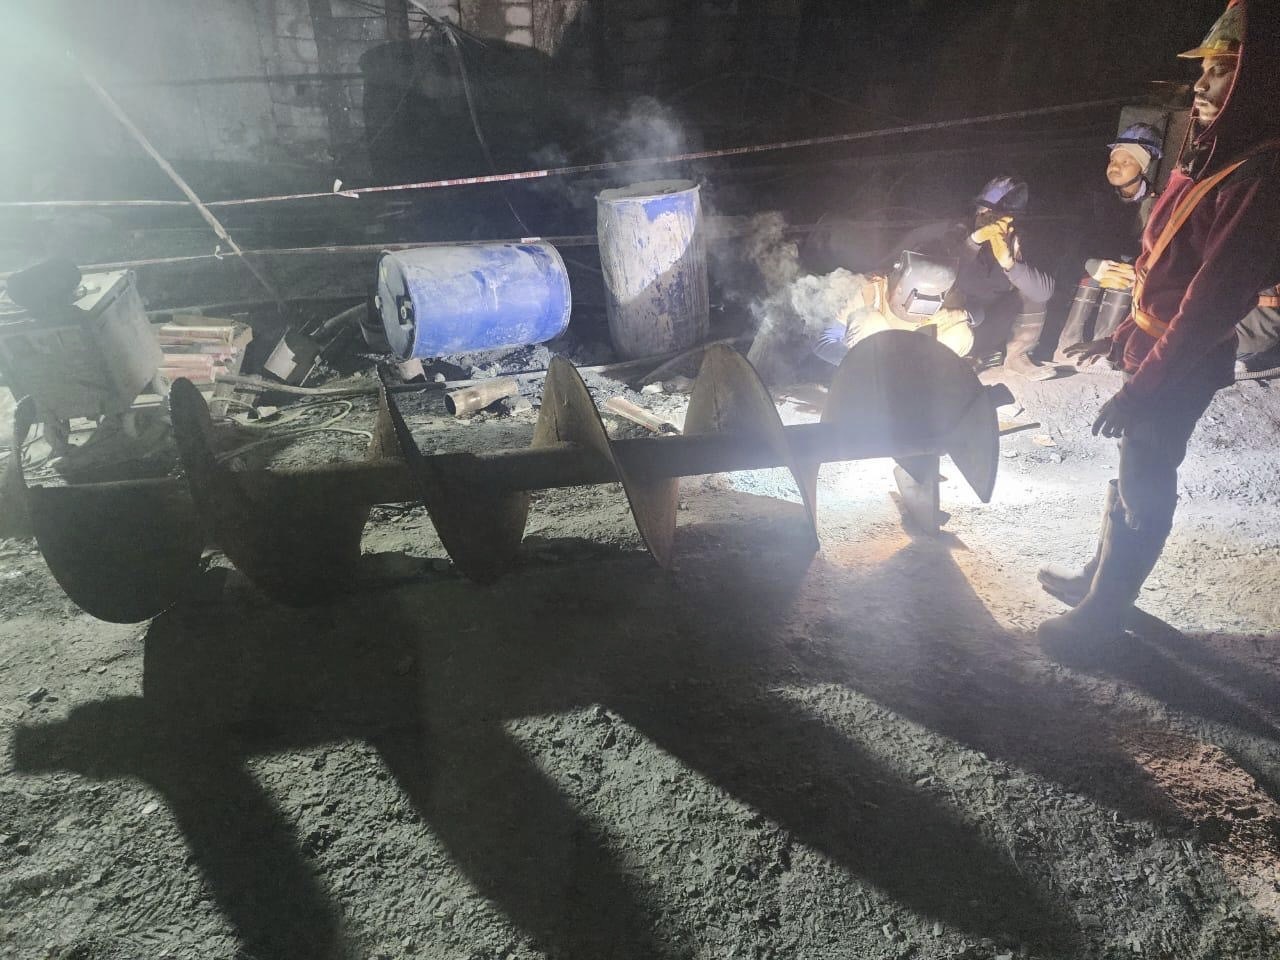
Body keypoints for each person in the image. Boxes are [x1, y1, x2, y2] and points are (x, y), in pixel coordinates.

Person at [1038, 0, 1280, 643]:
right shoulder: (1211, 156)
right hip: (1156, 343)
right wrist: (1120, 334)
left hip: (1183, 358)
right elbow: (1165, 262)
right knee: (1134, 462)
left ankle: (1103, 615)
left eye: (1221, 72)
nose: (1200, 86)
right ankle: (1100, 580)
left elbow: (1208, 302)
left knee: (1147, 472)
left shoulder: (1260, 175)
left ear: (1256, 83)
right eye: (1203, 72)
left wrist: (1140, 385)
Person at [886, 177, 1057, 379]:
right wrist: (974, 242)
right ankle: (948, 360)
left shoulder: (1015, 242)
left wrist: (1010, 264)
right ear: (977, 211)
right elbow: (936, 271)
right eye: (985, 214)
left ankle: (1017, 357)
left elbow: (1043, 293)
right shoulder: (952, 233)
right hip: (947, 325)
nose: (991, 220)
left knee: (1028, 289)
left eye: (999, 217)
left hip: (988, 327)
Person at [1055, 124, 1165, 357]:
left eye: (1127, 162)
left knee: (1124, 278)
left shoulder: (1157, 204)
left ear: (1142, 168)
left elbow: (1158, 248)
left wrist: (1137, 269)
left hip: (1127, 271)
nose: (1116, 166)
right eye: (1114, 160)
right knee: (1090, 277)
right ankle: (1066, 347)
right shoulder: (1092, 195)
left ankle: (1105, 347)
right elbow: (1073, 235)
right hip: (1094, 263)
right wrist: (1087, 262)